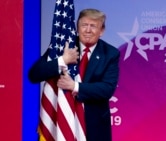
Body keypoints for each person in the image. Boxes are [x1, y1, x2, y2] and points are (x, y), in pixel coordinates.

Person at [29, 8, 120, 141]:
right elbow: (34, 74)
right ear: (77, 27)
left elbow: (107, 88)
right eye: (84, 25)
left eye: (93, 26)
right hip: (61, 123)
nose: (88, 30)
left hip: (93, 128)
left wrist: (75, 86)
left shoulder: (110, 54)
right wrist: (62, 60)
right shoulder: (62, 46)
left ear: (102, 31)